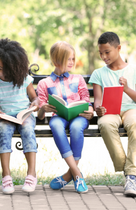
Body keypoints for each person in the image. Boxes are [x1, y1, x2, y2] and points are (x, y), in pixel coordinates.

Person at [88, 31, 136, 197]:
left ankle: (131, 176)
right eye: (101, 53)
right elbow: (98, 100)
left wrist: (127, 88)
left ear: (118, 48)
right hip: (110, 111)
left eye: (107, 52)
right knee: (105, 123)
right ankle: (131, 176)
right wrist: (99, 108)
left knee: (135, 123)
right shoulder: (98, 74)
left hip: (132, 109)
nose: (104, 56)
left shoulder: (135, 70)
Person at [37, 41, 94, 193]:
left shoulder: (78, 79)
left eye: (73, 59)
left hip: (79, 116)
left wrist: (90, 111)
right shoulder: (44, 83)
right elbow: (41, 116)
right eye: (68, 59)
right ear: (56, 61)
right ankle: (77, 174)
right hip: (59, 116)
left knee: (76, 127)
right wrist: (43, 108)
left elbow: (87, 101)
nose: (72, 62)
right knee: (55, 125)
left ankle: (70, 175)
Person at [0, 38, 39, 194]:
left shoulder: (24, 80)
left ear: (12, 68)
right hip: (5, 118)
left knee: (28, 131)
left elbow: (34, 98)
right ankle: (6, 175)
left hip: (24, 115)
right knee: (4, 132)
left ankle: (32, 173)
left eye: (0, 68)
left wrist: (35, 103)